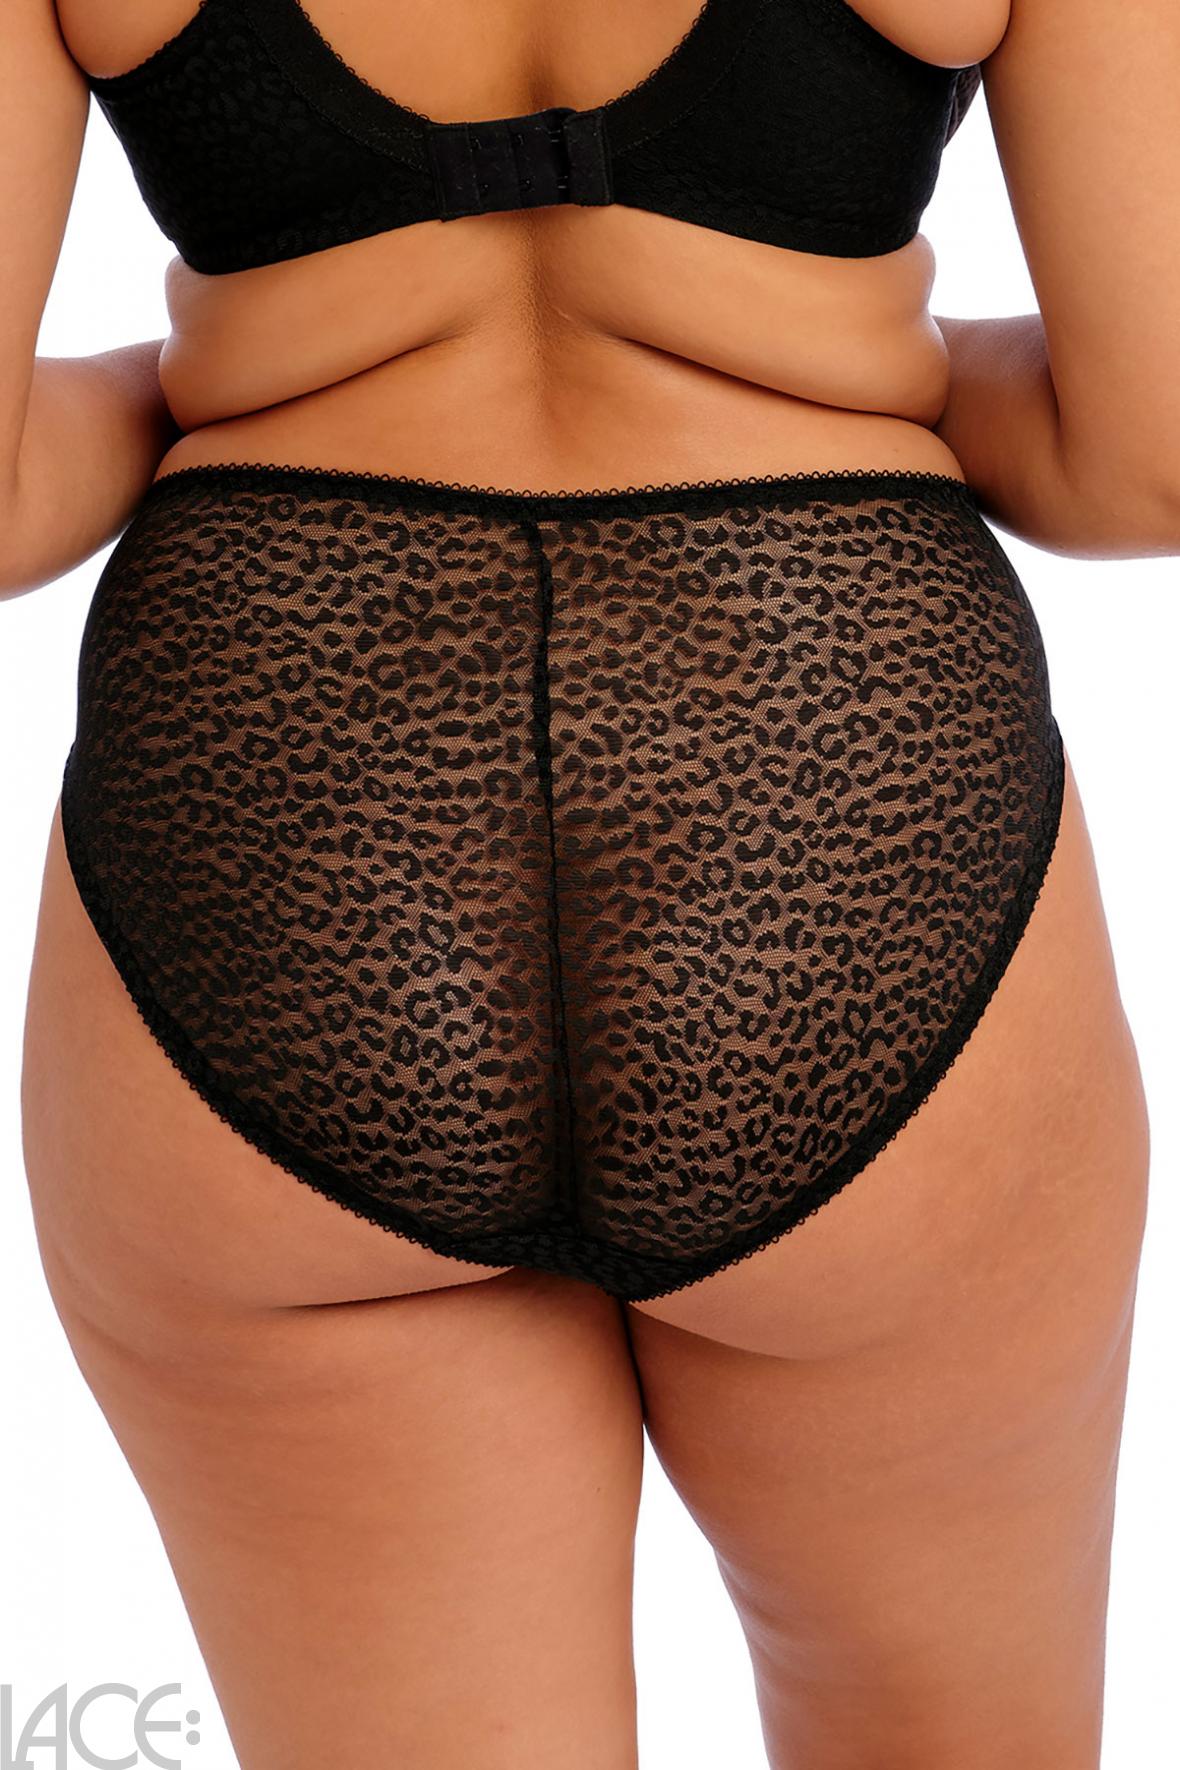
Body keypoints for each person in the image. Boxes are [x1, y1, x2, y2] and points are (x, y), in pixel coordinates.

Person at [2, 0, 1166, 1764]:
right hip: (834, 793)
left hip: (285, 825)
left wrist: (217, 383)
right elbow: (1147, 451)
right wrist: (865, 368)